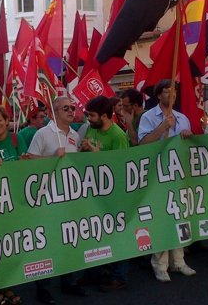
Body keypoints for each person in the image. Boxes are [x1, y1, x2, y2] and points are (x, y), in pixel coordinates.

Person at [27, 96, 87, 303]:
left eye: (73, 107)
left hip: (69, 196)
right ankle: (43, 288)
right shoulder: (43, 134)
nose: (71, 111)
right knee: (47, 242)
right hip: (47, 197)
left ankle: (68, 281)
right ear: (55, 113)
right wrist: (52, 158)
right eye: (66, 108)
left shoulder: (74, 136)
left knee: (69, 238)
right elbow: (29, 162)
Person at [138, 80, 196, 282]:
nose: (171, 94)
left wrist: (187, 136)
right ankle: (160, 264)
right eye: (166, 91)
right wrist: (163, 127)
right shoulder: (148, 117)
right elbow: (143, 143)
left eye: (174, 91)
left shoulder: (182, 118)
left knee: (180, 216)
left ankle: (178, 261)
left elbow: (188, 146)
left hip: (178, 174)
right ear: (158, 95)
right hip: (157, 175)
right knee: (161, 218)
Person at [80, 96, 130, 291]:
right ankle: (94, 272)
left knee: (117, 234)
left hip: (113, 194)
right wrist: (84, 150)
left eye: (91, 115)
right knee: (94, 234)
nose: (88, 119)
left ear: (104, 116)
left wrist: (93, 152)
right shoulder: (92, 129)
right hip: (93, 192)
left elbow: (119, 167)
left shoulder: (117, 136)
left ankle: (119, 276)